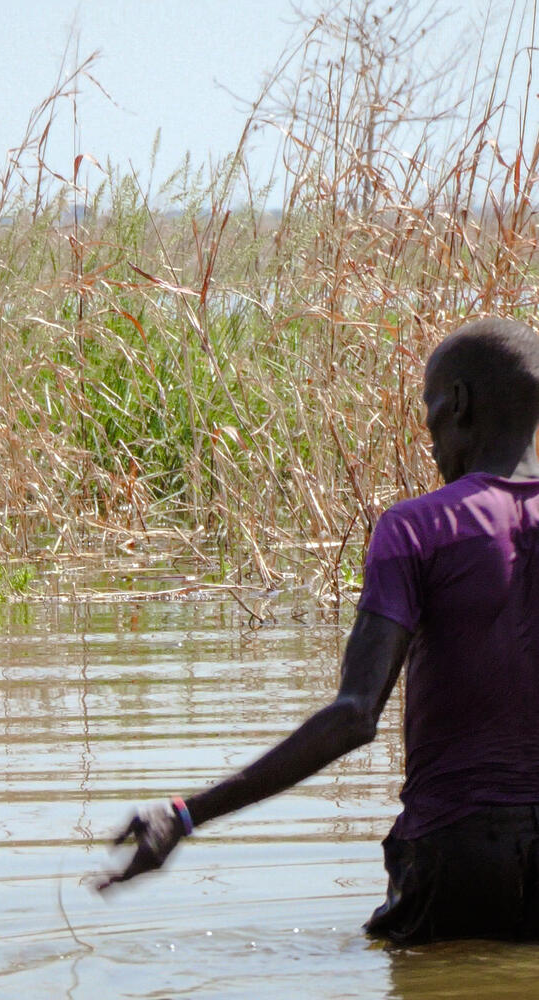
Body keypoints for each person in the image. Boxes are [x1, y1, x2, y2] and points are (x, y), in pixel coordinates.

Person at [97, 317, 539, 944]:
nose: (431, 442)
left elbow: (356, 714)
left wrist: (187, 814)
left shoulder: (418, 529)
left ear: (460, 404)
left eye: (431, 412)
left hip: (455, 852)